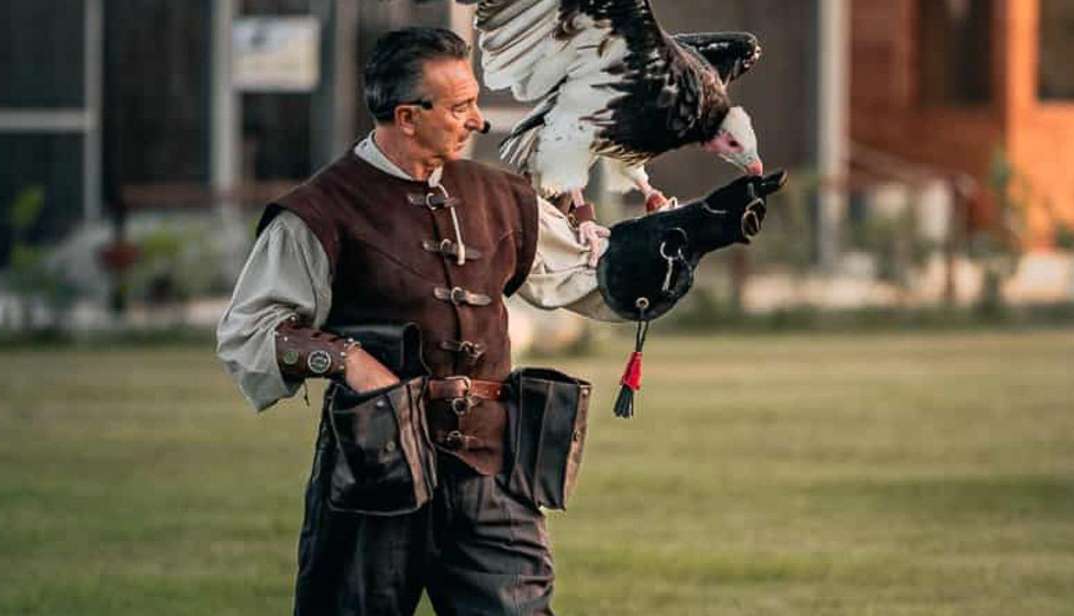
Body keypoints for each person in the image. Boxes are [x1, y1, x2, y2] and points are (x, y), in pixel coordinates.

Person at [217, 26, 776, 616]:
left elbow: (593, 279)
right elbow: (250, 331)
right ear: (407, 116)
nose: (480, 120)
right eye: (461, 107)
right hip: (373, 473)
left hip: (491, 472)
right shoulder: (321, 210)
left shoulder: (500, 196)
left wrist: (695, 232)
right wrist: (349, 361)